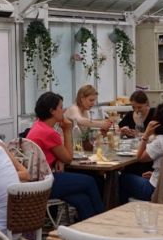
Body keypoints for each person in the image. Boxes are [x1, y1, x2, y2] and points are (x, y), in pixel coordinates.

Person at [26, 92, 105, 221]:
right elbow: (68, 158)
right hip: (45, 182)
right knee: (91, 181)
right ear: (52, 111)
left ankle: (88, 228)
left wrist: (58, 159)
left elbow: (53, 152)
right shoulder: (49, 132)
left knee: (82, 199)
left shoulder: (38, 125)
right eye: (61, 107)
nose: (64, 110)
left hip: (33, 181)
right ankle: (103, 219)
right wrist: (67, 130)